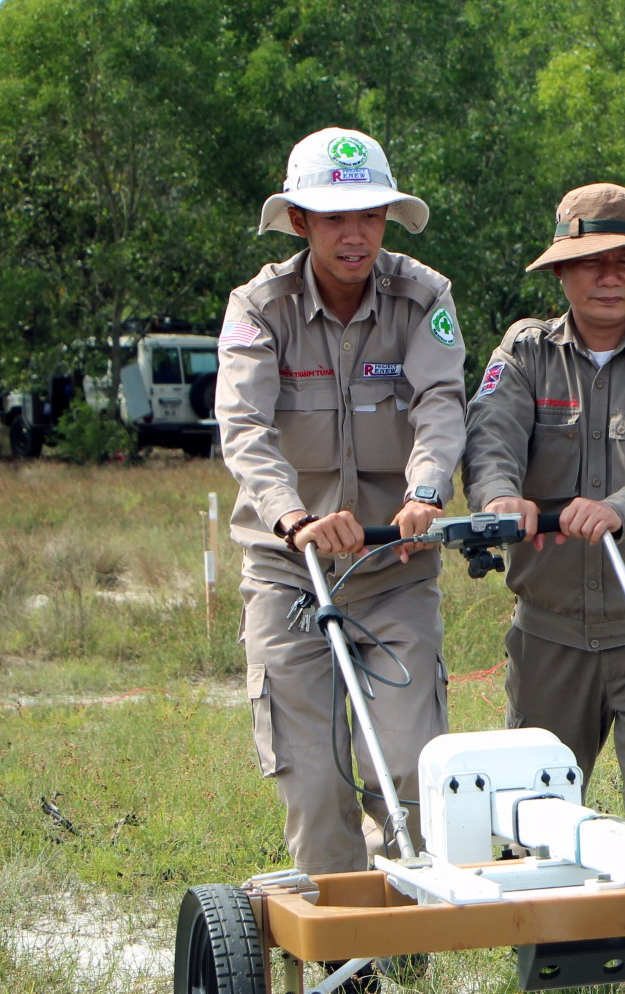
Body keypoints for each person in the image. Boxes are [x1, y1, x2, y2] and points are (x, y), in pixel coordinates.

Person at [460, 183, 625, 994]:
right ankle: (558, 984)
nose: (608, 278)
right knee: (541, 807)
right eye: (590, 263)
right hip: (550, 630)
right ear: (562, 272)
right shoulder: (526, 352)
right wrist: (500, 497)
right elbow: (491, 435)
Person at [218, 127, 465, 879]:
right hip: (289, 573)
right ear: (299, 222)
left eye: (370, 216)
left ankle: (407, 948)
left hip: (394, 566)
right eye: (334, 218)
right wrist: (294, 520)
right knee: (316, 783)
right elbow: (244, 426)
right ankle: (349, 975)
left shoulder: (425, 296)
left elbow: (442, 404)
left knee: (412, 775)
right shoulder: (259, 307)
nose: (355, 235)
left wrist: (425, 494)